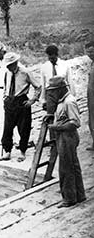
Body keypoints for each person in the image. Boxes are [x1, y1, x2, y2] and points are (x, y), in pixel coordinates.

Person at [45, 76, 86, 208]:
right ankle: (79, 195)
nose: (52, 94)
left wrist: (56, 127)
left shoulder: (69, 102)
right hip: (65, 136)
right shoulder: (63, 101)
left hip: (67, 137)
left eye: (54, 91)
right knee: (73, 166)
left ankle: (69, 198)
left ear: (60, 90)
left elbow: (75, 123)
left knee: (66, 168)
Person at [0, 52, 41, 162]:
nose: (9, 67)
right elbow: (6, 86)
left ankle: (22, 151)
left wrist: (32, 100)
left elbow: (38, 86)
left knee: (24, 128)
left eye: (11, 65)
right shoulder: (7, 73)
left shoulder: (25, 72)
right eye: (7, 65)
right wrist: (5, 97)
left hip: (21, 101)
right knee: (7, 128)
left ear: (16, 63)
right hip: (9, 102)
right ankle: (7, 151)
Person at [40, 45, 75, 114]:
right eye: (49, 57)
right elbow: (43, 85)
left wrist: (73, 96)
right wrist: (43, 100)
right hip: (51, 95)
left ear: (56, 55)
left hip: (63, 93)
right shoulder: (44, 67)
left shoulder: (65, 65)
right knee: (51, 116)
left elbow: (70, 81)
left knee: (65, 115)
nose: (51, 59)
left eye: (53, 58)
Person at [85, 41, 94, 151]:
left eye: (92, 51)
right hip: (91, 96)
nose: (90, 54)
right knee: (91, 120)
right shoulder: (91, 63)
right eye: (88, 52)